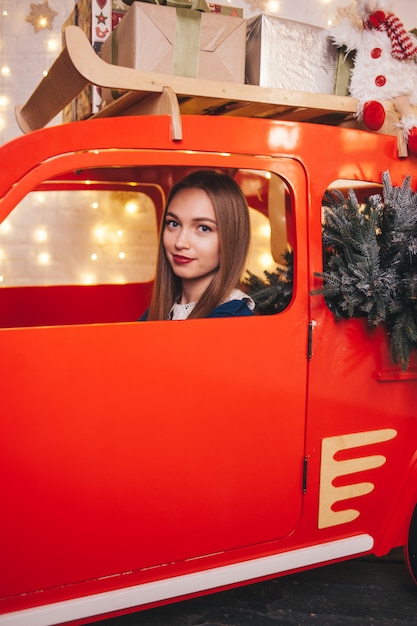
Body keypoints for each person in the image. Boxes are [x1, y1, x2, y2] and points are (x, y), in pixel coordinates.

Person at [141, 170, 255, 321]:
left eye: (203, 228)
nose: (180, 242)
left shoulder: (231, 316)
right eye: (174, 224)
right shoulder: (162, 309)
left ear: (231, 238)